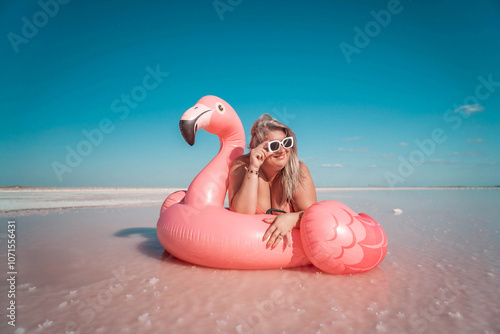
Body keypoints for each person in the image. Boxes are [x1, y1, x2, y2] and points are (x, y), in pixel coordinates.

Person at [228, 114, 317, 250]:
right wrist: (253, 168)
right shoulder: (242, 166)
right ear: (258, 148)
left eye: (286, 142)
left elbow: (314, 217)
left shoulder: (298, 170)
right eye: (274, 145)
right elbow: (241, 214)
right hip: (250, 248)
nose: (282, 150)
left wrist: (292, 219)